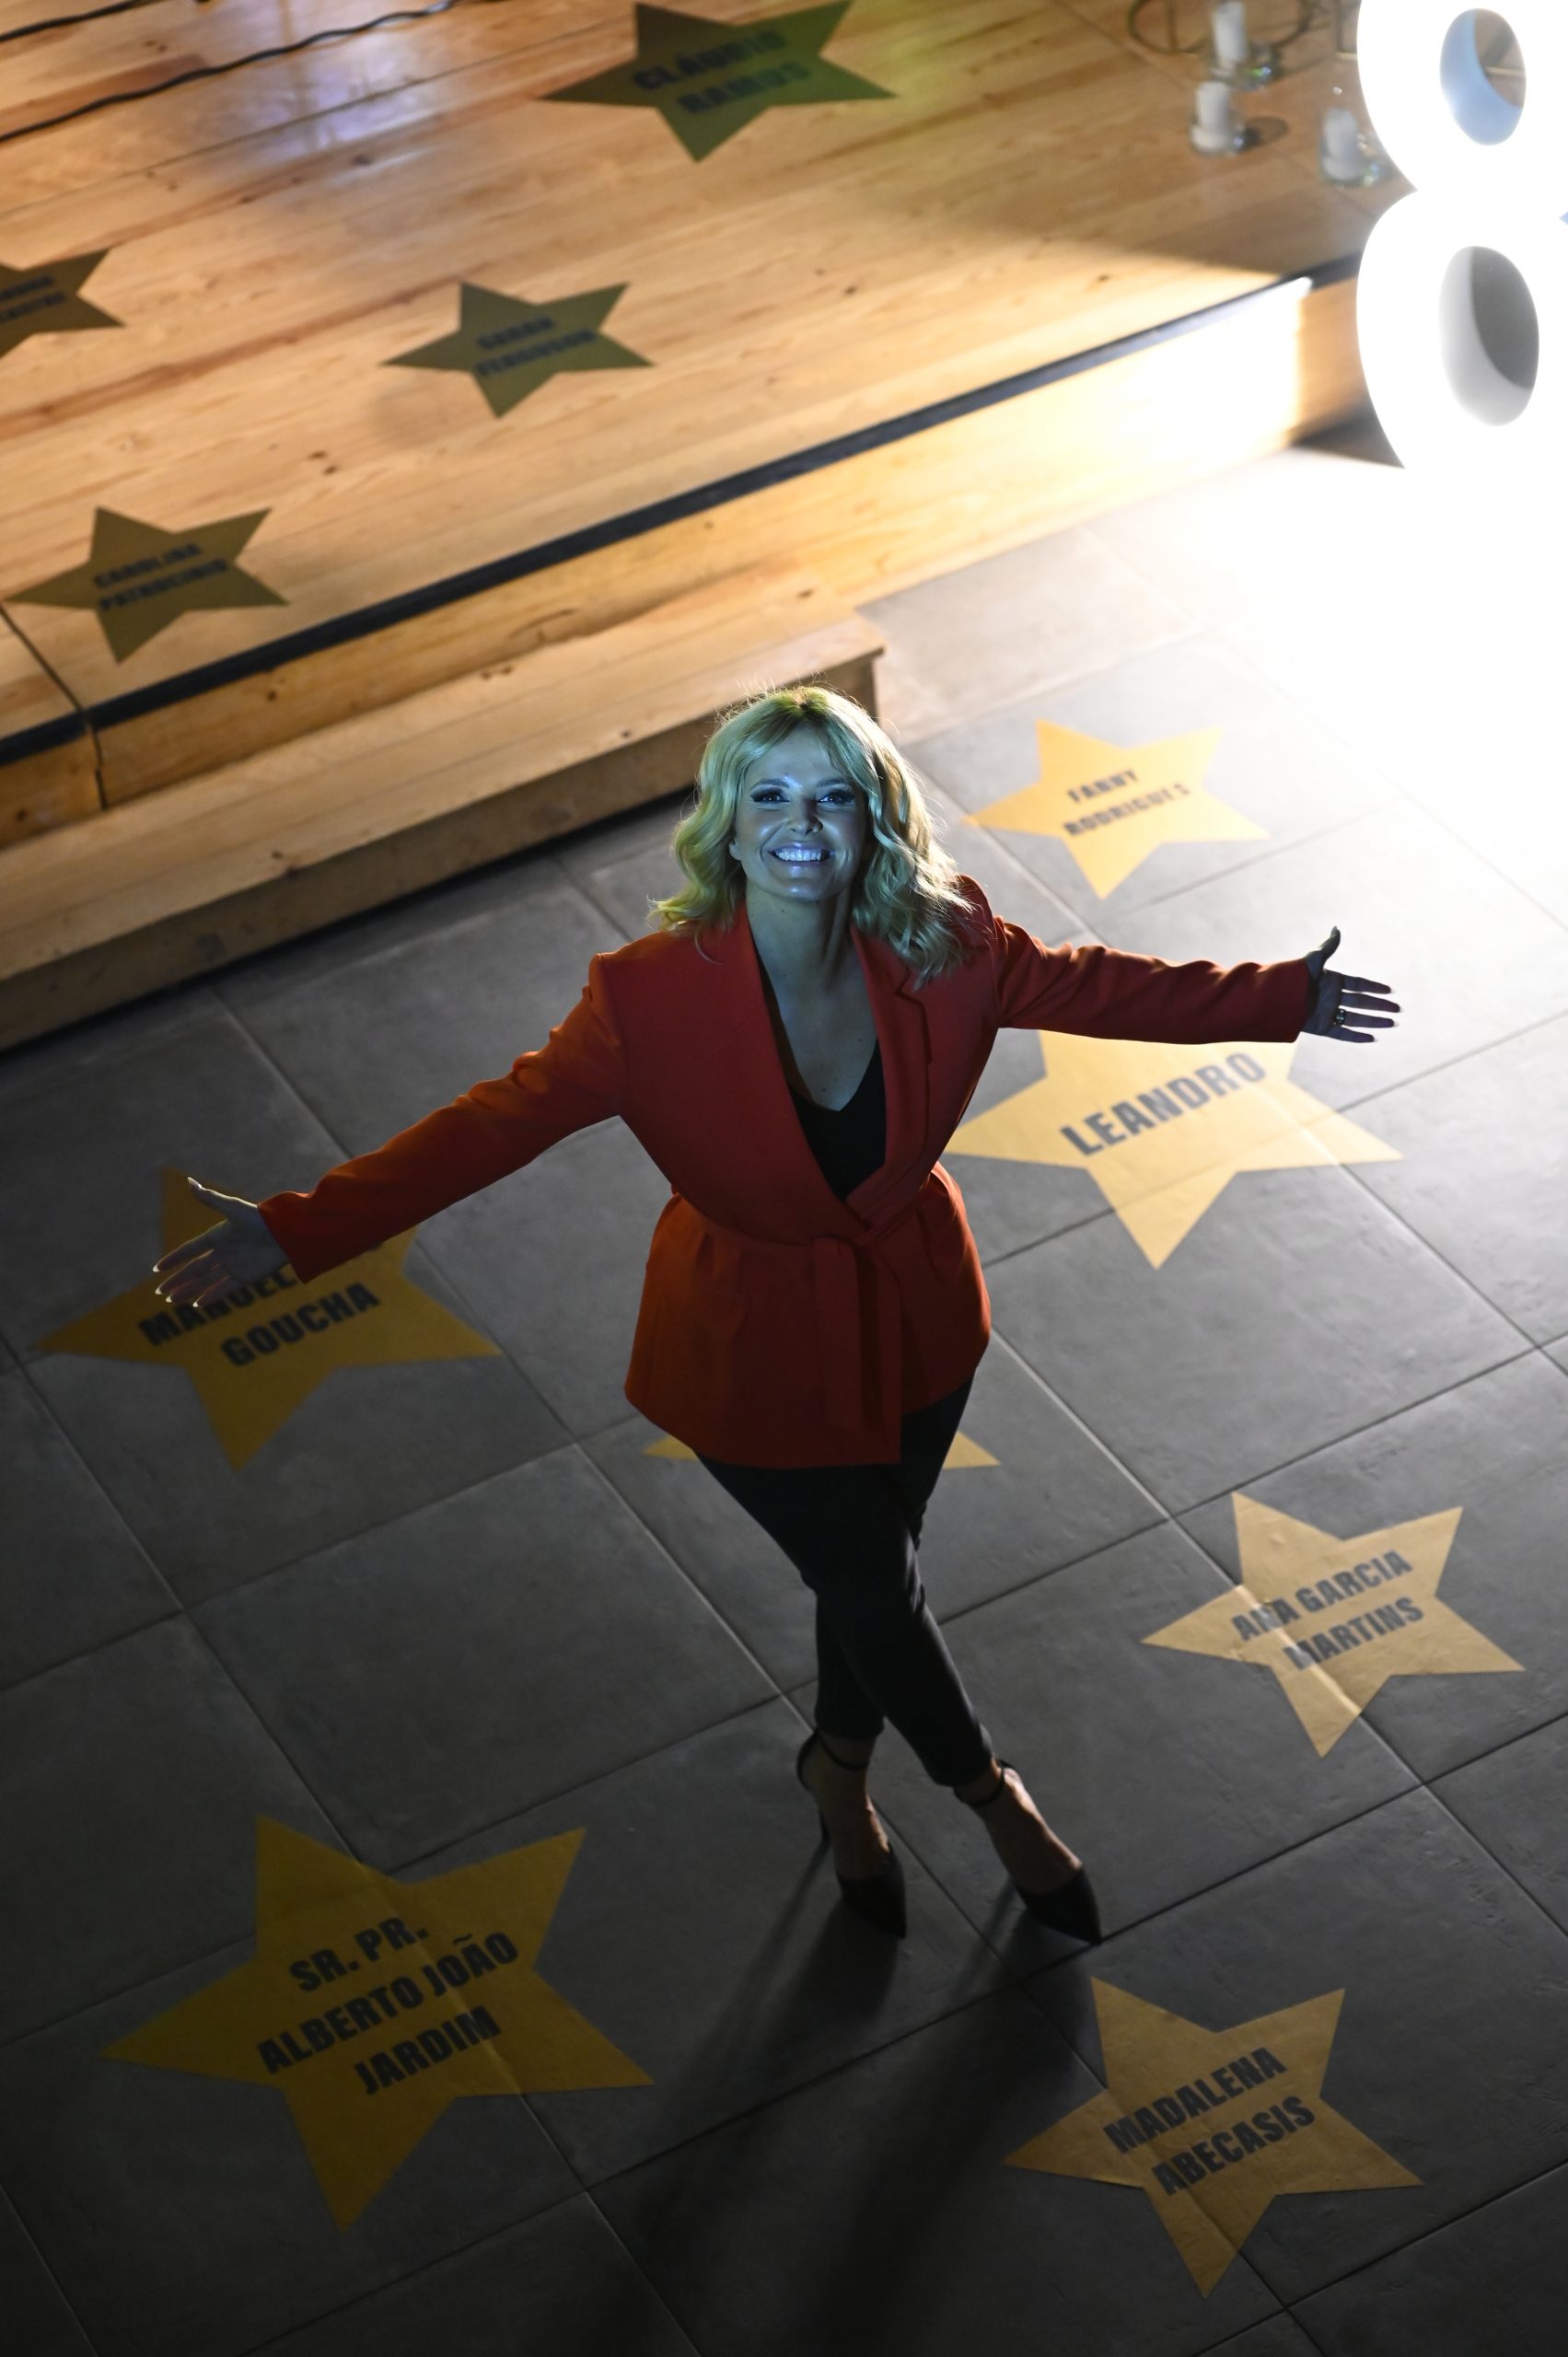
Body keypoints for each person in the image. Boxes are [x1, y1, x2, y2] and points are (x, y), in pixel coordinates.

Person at [153, 685, 1400, 1945]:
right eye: (772, 795)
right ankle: (992, 1798)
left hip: (917, 1318)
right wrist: (299, 1228)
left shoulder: (948, 941)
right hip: (747, 1349)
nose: (803, 823)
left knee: (872, 1581)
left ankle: (837, 1774)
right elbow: (489, 1126)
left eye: (835, 795)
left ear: (876, 822)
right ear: (730, 826)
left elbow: (1096, 987)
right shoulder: (642, 1001)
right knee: (875, 1582)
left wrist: (1279, 997)